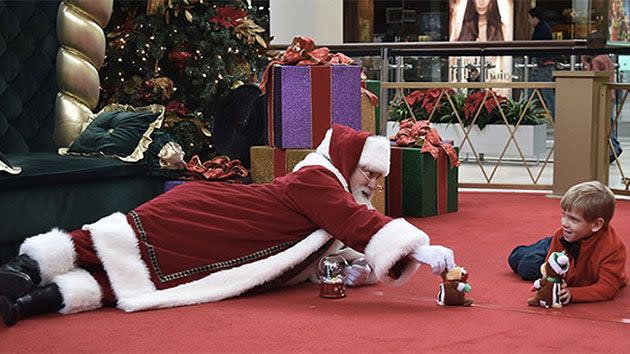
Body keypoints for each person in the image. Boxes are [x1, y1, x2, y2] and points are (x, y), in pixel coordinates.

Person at [0, 124, 456, 326]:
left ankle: (30, 304)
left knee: (137, 278)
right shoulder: (319, 180)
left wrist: (359, 272)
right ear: (346, 164)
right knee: (110, 241)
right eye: (369, 174)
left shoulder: (333, 199)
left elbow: (318, 253)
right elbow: (357, 221)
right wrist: (420, 249)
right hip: (207, 217)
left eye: (379, 178)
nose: (373, 186)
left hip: (225, 247)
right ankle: (22, 270)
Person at [508, 181, 627, 304]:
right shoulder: (561, 234)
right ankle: (544, 244)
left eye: (573, 219)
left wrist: (572, 293)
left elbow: (608, 288)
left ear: (596, 225)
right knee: (518, 260)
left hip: (574, 263)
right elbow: (550, 268)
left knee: (526, 267)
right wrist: (552, 281)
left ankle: (544, 246)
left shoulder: (613, 248)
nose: (564, 223)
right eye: (564, 215)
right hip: (564, 246)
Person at [581, 31, 623, 162]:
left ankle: (614, 147)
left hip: (601, 94)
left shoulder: (597, 59)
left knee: (605, 123)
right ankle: (613, 146)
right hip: (609, 94)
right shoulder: (607, 58)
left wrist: (585, 63)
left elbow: (592, 74)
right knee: (609, 121)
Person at [527, 7, 556, 118]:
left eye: (530, 18)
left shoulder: (541, 29)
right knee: (542, 93)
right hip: (541, 65)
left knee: (545, 93)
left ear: (535, 18)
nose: (529, 21)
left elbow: (538, 47)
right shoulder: (543, 28)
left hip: (541, 65)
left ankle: (555, 117)